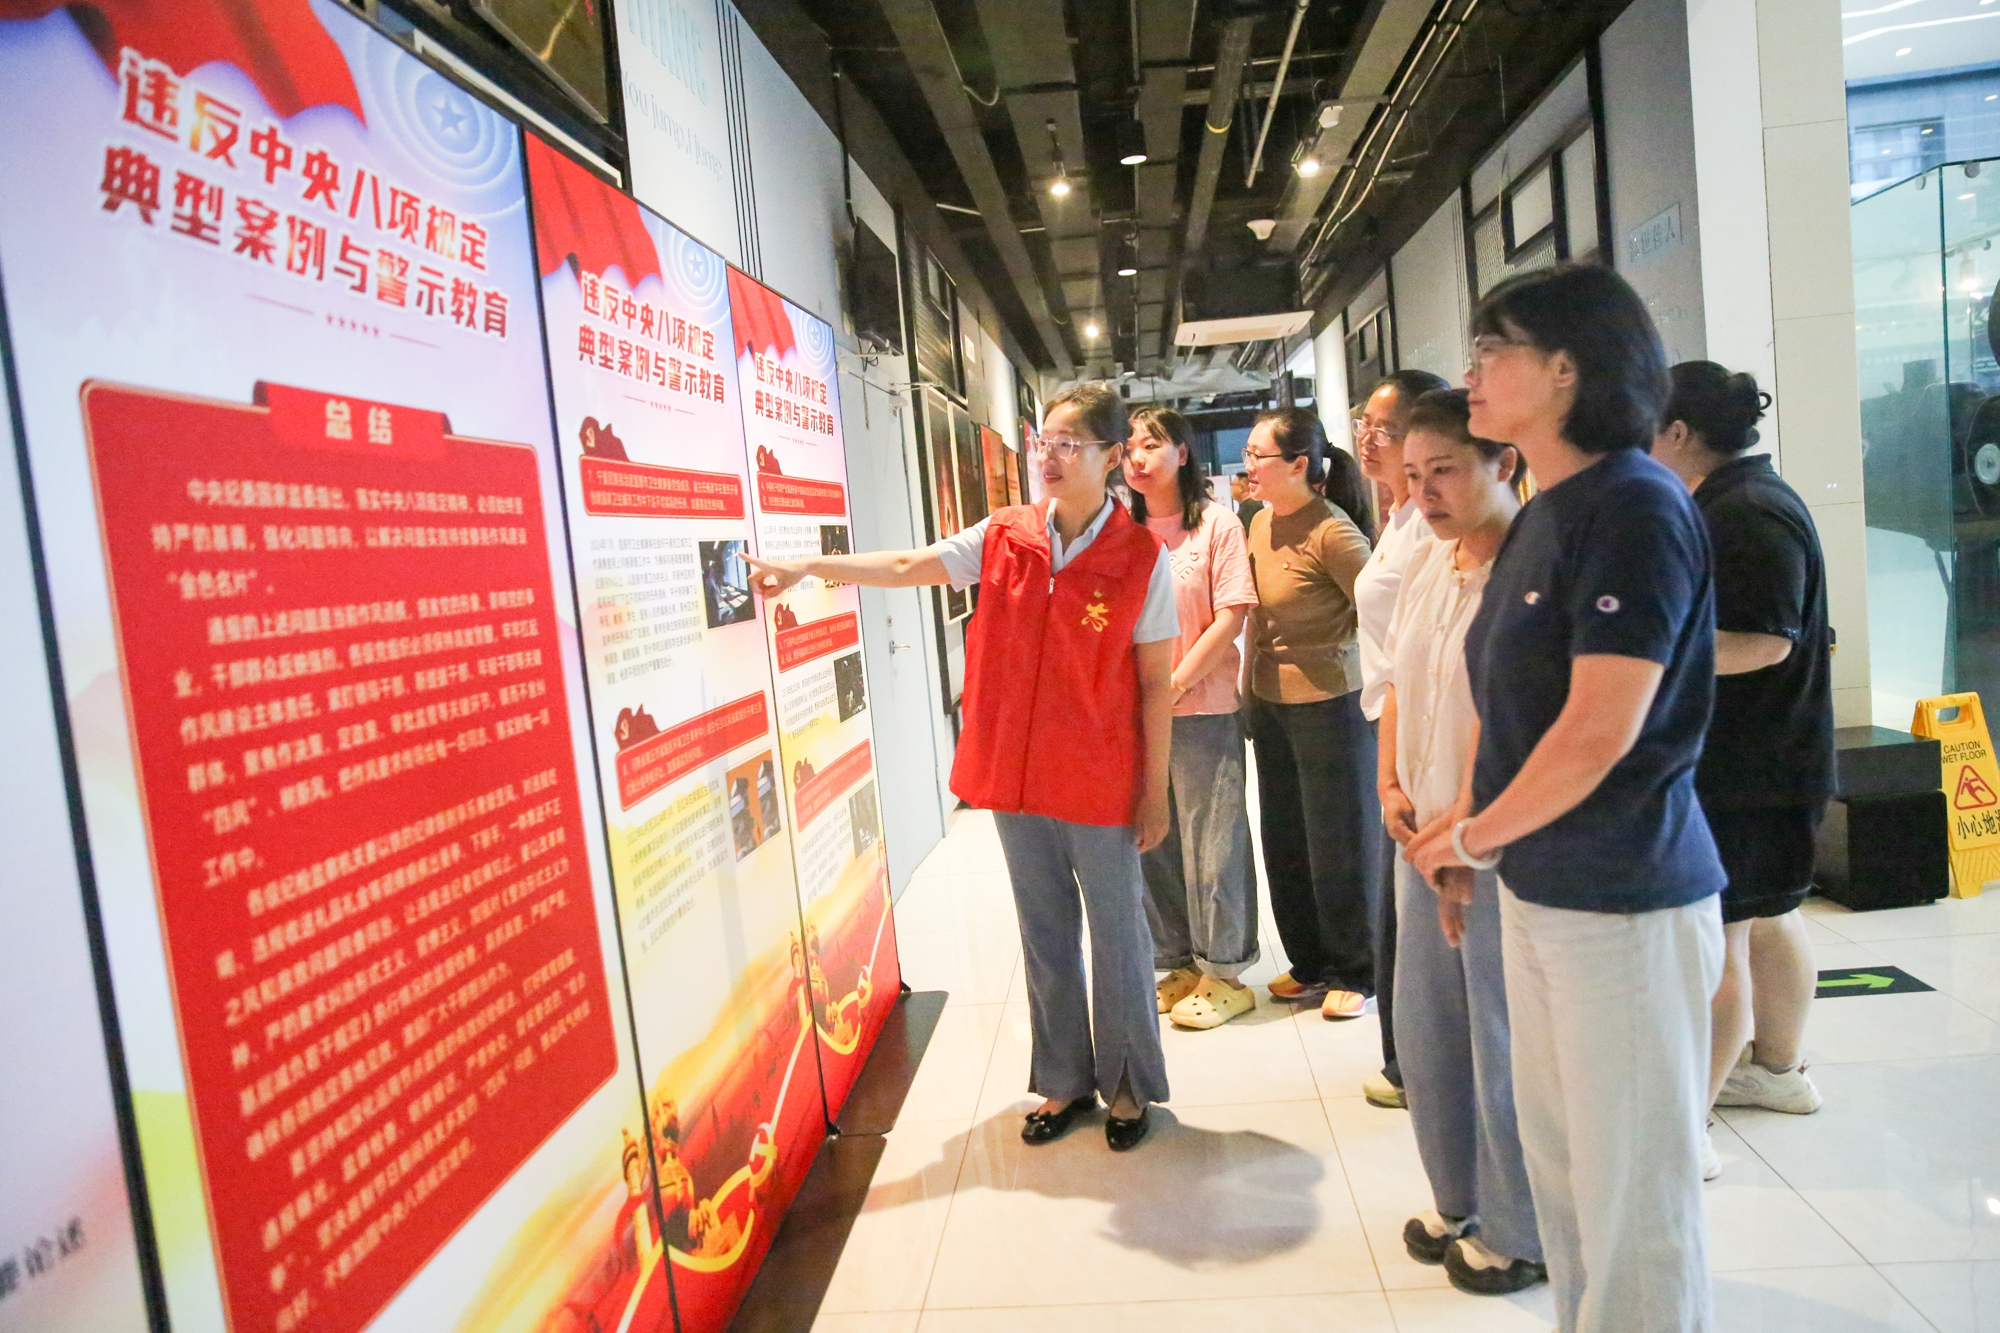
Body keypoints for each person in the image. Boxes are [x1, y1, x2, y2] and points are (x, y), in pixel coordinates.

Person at [1410, 265, 1725, 1333]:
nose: (1470, 372)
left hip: (1626, 898)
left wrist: (1473, 833)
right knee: (1563, 1181)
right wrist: (1468, 841)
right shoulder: (1547, 509)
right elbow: (1500, 702)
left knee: (1632, 1191)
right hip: (1541, 892)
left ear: (1563, 367)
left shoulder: (1637, 503)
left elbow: (1599, 727)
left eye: (1490, 347)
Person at [746, 384, 1179, 1152]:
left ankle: (1126, 1086)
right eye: (1043, 440)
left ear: (1112, 457)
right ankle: (1064, 1079)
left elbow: (1153, 683)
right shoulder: (1007, 535)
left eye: (1069, 443)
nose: (1049, 455)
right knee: (1044, 930)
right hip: (1015, 775)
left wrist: (1155, 793)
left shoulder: (1142, 556)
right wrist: (811, 565)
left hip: (1100, 775)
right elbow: (914, 563)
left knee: (1117, 934)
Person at [1652, 362, 1833, 1174]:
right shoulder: (1735, 501)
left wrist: (1657, 659)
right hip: (1766, 757)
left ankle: (1690, 1123)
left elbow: (1767, 637)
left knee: (1722, 939)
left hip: (1755, 762)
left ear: (1680, 432)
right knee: (1765, 916)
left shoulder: (1747, 511)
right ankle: (1777, 1070)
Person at [1382, 389, 1543, 1295]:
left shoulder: (1527, 571)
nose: (1426, 490)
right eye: (1414, 474)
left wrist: (1465, 833)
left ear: (1502, 462)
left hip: (1491, 843)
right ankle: (1458, 1196)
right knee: (1429, 1025)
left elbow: (1513, 717)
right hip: (1421, 832)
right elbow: (1397, 683)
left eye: (1444, 469)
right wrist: (1391, 784)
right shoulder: (1431, 564)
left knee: (1498, 1032)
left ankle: (1519, 1226)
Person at [1123, 406, 1262, 1029]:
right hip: (1132, 714)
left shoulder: (1218, 527)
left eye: (1151, 444)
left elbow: (1231, 614)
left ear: (1182, 452)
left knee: (1215, 840)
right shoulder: (1119, 533)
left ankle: (1225, 972)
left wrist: (1173, 684)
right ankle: (1177, 958)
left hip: (1201, 707)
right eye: (1128, 447)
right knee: (1154, 839)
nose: (1136, 457)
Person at [1241, 407, 1380, 1021]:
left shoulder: (1333, 532)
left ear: (1299, 465)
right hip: (1271, 705)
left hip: (1331, 705)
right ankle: (1311, 963)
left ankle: (1360, 968)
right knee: (1287, 838)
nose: (1248, 468)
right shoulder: (1259, 523)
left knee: (1339, 842)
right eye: (1246, 455)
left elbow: (1381, 610)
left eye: (1258, 457)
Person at [1351, 368, 1450, 1109]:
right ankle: (1408, 1060)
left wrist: (1397, 772)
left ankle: (1421, 1065)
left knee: (1424, 924)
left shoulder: (1433, 527)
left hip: (1424, 743)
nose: (1367, 438)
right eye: (1366, 423)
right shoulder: (1394, 517)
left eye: (1383, 427)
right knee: (1401, 919)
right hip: (1393, 737)